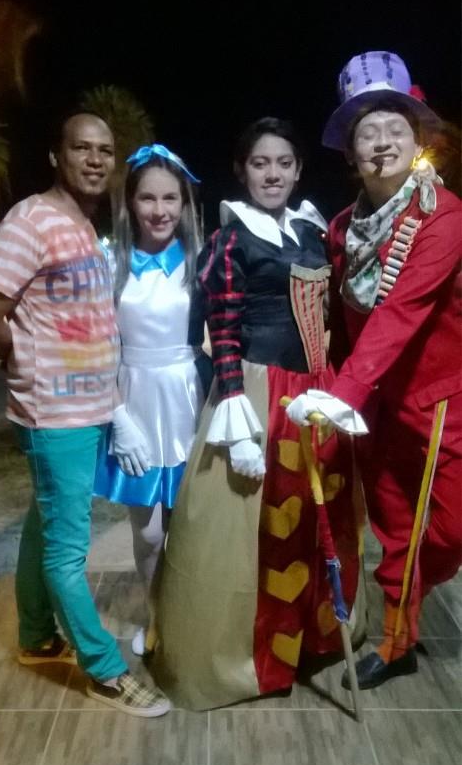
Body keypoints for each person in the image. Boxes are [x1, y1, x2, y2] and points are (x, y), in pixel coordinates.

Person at [0, 111, 170, 717]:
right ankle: (104, 669)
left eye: (105, 149)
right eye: (82, 147)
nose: (96, 159)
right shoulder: (31, 220)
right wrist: (29, 357)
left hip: (83, 409)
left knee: (45, 520)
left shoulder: (80, 224)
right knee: (67, 550)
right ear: (57, 155)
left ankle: (35, 636)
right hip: (55, 413)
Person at [151, 117, 360, 710]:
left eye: (284, 163)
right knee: (248, 530)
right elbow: (221, 330)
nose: (273, 174)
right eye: (261, 163)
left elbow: (332, 315)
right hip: (258, 392)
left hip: (314, 392)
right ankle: (247, 655)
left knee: (316, 519)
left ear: (298, 170)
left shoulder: (312, 230)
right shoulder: (231, 238)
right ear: (242, 170)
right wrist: (234, 407)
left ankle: (312, 638)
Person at [287, 52, 462, 690]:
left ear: (417, 142)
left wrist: (341, 395)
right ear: (350, 152)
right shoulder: (341, 230)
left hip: (439, 406)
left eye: (395, 129)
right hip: (373, 410)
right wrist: (323, 385)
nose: (382, 142)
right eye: (367, 133)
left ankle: (407, 599)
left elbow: (399, 313)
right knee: (393, 529)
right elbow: (339, 316)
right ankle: (396, 641)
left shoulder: (444, 217)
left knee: (450, 529)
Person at [94, 144, 209, 656]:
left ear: (184, 203)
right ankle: (155, 615)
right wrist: (118, 416)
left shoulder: (201, 261)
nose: (160, 210)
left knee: (189, 527)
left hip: (188, 401)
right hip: (134, 401)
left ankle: (186, 621)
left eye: (170, 198)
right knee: (147, 533)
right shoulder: (110, 263)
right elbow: (98, 347)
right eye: (147, 198)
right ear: (130, 203)